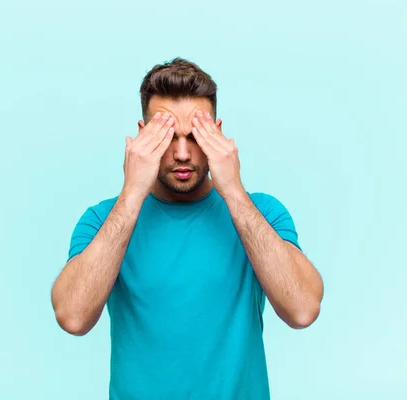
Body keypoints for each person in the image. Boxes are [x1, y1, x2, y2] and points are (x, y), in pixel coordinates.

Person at [51, 58, 324, 400]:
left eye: (195, 136)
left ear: (217, 134)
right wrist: (133, 192)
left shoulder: (262, 213)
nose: (182, 153)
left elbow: (302, 309)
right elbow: (73, 317)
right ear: (142, 136)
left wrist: (234, 191)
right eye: (167, 137)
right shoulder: (103, 219)